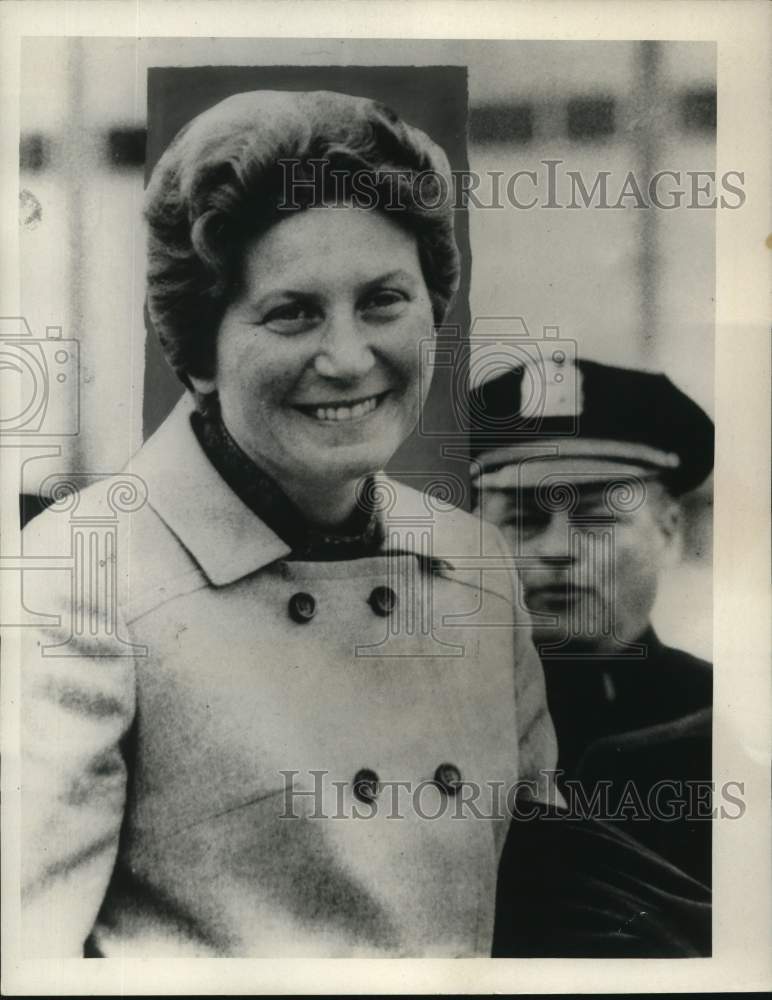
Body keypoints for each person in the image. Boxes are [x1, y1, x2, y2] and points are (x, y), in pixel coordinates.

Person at [19, 89, 559, 958]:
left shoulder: (473, 562)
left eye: (384, 300)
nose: (348, 359)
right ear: (198, 351)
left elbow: (544, 903)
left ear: (435, 309)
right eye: (292, 312)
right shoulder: (74, 577)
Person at [470, 357, 714, 886]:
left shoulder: (726, 719)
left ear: (669, 532)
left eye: (598, 518)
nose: (558, 549)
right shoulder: (428, 716)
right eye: (523, 519)